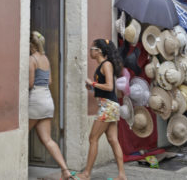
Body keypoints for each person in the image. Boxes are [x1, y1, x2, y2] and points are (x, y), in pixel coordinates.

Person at [76, 39, 127, 180]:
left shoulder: (106, 65)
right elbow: (104, 88)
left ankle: (86, 174)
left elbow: (110, 87)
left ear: (98, 51)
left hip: (108, 106)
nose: (90, 51)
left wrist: (92, 83)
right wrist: (93, 87)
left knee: (93, 138)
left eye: (92, 48)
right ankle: (122, 175)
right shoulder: (103, 65)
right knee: (112, 140)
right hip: (110, 105)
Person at [29, 31, 74, 180]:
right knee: (47, 140)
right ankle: (65, 170)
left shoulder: (32, 59)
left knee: (22, 134)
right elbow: (49, 81)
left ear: (31, 44)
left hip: (36, 99)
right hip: (48, 99)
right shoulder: (46, 59)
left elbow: (29, 84)